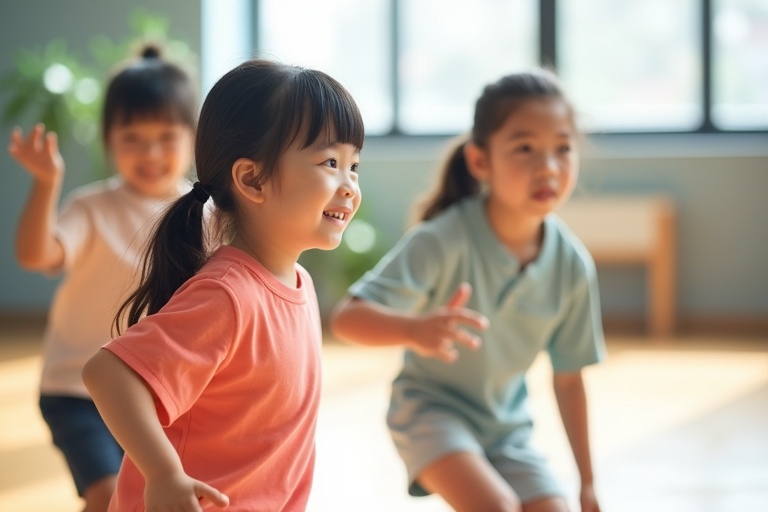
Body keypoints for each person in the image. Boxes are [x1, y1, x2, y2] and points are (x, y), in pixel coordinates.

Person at [81, 58, 364, 511]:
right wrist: (164, 474)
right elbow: (108, 373)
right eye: (330, 162)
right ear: (252, 179)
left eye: (354, 166)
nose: (349, 185)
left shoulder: (300, 284)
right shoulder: (228, 294)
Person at [330, 69, 605, 512]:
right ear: (481, 162)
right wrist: (415, 329)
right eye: (525, 148)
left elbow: (570, 380)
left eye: (563, 148)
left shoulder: (572, 264)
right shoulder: (442, 239)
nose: (548, 166)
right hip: (430, 412)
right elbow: (346, 319)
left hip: (506, 430)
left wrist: (587, 483)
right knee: (497, 506)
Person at [8, 44, 198, 512]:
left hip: (157, 395)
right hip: (76, 389)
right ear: (109, 139)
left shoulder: (204, 214)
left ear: (193, 138)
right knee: (107, 496)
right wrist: (46, 184)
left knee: (143, 498)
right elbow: (36, 255)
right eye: (132, 138)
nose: (150, 152)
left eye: (166, 137)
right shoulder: (91, 208)